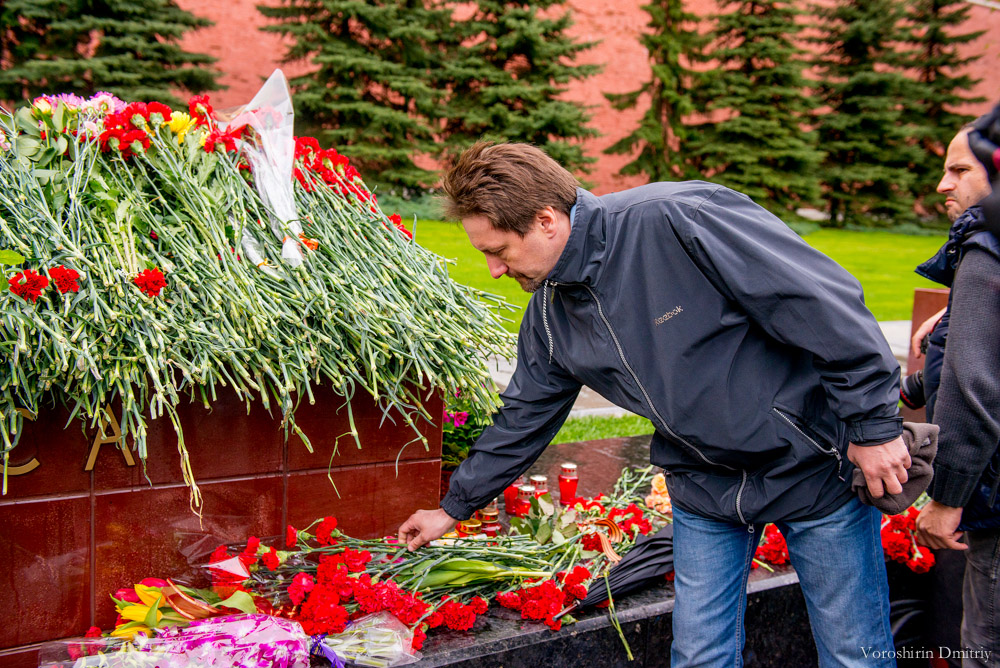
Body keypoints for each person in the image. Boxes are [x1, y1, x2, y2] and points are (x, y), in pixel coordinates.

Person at [398, 142, 911, 668]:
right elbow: (524, 416)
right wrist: (453, 507)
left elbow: (823, 306)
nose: (493, 270)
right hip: (703, 485)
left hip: (808, 467)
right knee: (697, 657)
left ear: (546, 220)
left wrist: (874, 428)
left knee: (854, 655)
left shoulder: (678, 218)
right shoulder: (551, 311)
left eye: (499, 250)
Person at [915, 118, 1000, 667]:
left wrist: (945, 500)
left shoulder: (985, 247)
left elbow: (975, 388)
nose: (943, 185)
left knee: (985, 649)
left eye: (959, 170)